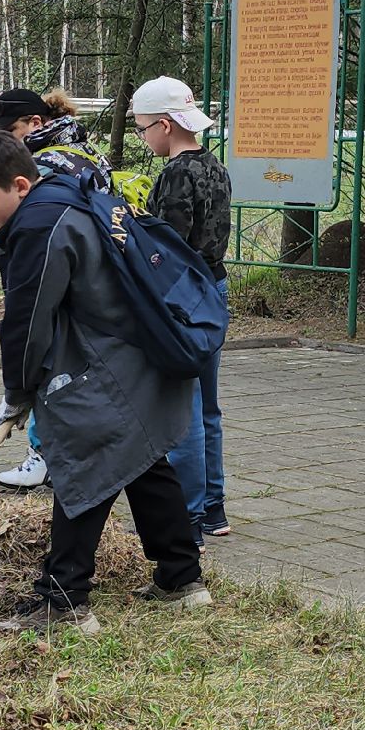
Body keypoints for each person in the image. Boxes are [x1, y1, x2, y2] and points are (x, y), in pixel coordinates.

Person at [0, 129, 210, 634]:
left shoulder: (40, 227)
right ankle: (182, 580)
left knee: (83, 467)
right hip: (136, 352)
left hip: (107, 363)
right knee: (141, 459)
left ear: (20, 185)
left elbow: (26, 321)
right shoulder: (71, 193)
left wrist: (16, 392)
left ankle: (64, 601)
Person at [0, 88, 112, 493]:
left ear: (36, 124)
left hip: (74, 300)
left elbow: (27, 313)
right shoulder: (83, 151)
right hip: (92, 300)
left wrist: (16, 391)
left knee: (57, 379)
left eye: (10, 131)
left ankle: (45, 458)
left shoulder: (47, 176)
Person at [130, 76, 232, 541]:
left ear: (166, 125)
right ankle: (214, 507)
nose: (142, 136)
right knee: (208, 408)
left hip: (182, 298)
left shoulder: (174, 175)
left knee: (183, 411)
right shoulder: (215, 165)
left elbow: (166, 248)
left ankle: (186, 518)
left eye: (143, 128)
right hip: (215, 288)